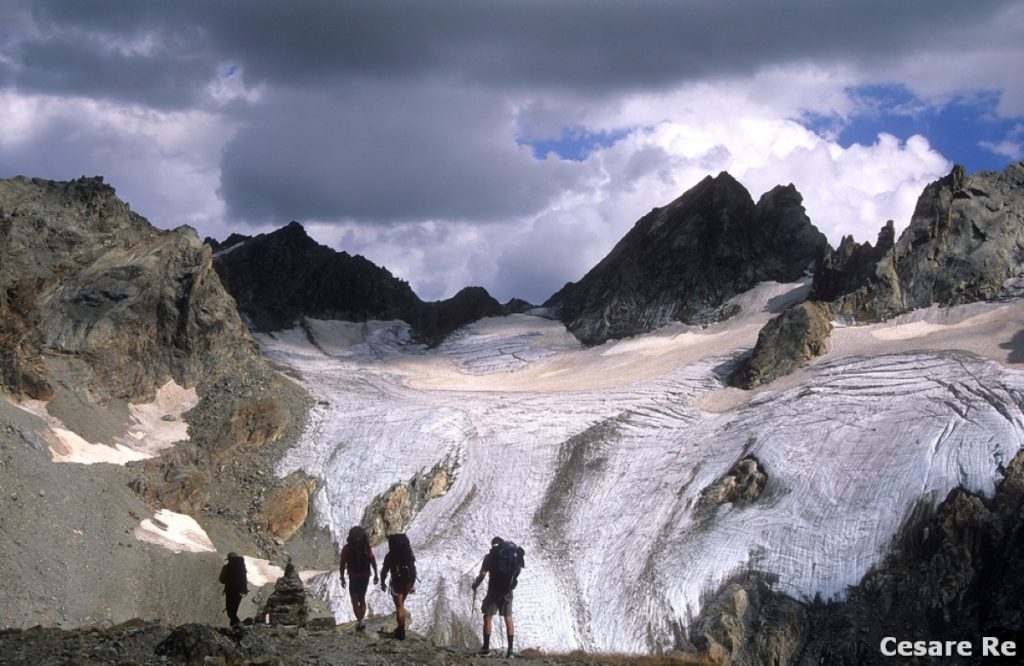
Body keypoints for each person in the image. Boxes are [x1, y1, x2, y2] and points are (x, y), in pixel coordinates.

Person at [472, 537, 524, 658]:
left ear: (493, 546)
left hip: (494, 590)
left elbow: (482, 574)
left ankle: (486, 649)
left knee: (488, 616)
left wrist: (475, 585)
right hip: (507, 590)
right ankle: (510, 651)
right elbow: (516, 572)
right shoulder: (512, 556)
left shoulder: (490, 557)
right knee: (508, 618)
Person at [339, 525, 379, 632]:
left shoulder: (347, 548)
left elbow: (342, 564)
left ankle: (360, 622)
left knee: (354, 600)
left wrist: (342, 577)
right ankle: (362, 621)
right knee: (362, 598)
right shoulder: (366, 547)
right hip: (365, 576)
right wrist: (376, 574)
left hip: (354, 577)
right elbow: (373, 561)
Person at [379, 533, 417, 640]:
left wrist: (382, 582)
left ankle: (400, 631)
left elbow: (384, 571)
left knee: (399, 607)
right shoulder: (408, 555)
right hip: (408, 582)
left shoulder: (390, 556)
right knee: (402, 605)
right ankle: (400, 629)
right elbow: (413, 569)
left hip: (397, 582)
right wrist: (411, 583)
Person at [218, 552, 248, 626]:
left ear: (229, 559)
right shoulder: (242, 567)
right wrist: (244, 589)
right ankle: (236, 625)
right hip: (240, 591)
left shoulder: (227, 567)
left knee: (230, 611)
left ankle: (236, 626)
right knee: (234, 610)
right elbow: (244, 578)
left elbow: (222, 580)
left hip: (230, 591)